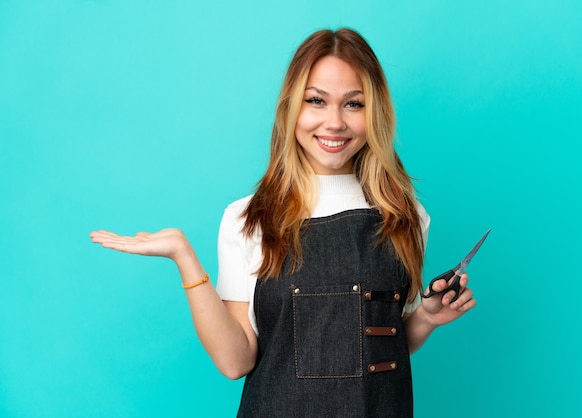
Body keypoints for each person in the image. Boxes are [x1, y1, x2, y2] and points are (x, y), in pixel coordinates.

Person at [90, 28, 476, 417]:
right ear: (291, 107)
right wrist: (184, 257)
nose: (335, 122)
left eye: (354, 104)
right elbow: (235, 361)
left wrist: (425, 318)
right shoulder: (248, 218)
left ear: (375, 112)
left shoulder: (405, 216)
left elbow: (379, 345)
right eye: (316, 101)